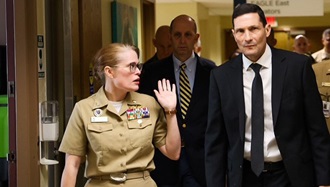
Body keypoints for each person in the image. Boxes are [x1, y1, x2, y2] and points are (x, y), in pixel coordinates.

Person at [205, 3, 330, 187]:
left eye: (253, 29)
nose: (247, 37)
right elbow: (215, 140)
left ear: (267, 29)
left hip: (290, 175)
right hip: (243, 177)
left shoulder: (297, 67)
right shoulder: (221, 76)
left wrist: (325, 182)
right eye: (240, 31)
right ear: (233, 35)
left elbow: (317, 130)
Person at [59, 43, 181, 187]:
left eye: (138, 66)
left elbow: (173, 153)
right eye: (131, 66)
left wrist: (170, 111)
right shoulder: (84, 109)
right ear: (109, 72)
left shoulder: (148, 104)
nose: (138, 72)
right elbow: (72, 165)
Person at [139, 14, 216, 187]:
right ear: (171, 37)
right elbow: (145, 113)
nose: (182, 41)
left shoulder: (212, 71)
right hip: (163, 159)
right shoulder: (153, 72)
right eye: (177, 35)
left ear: (196, 38)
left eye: (188, 35)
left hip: (201, 160)